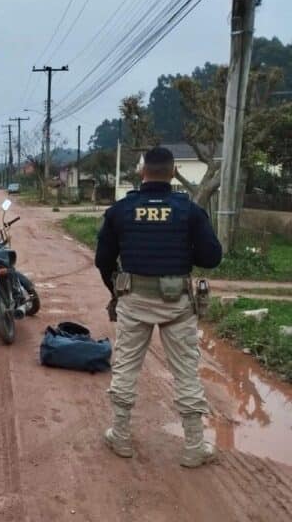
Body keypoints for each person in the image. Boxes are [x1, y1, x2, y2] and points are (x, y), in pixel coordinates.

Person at [95, 146, 222, 468]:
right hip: (177, 302)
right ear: (174, 170)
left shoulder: (121, 210)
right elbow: (211, 258)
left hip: (134, 299)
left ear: (142, 171)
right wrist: (181, 255)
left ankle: (120, 437)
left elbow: (103, 260)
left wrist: (117, 291)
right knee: (185, 373)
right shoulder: (189, 211)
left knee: (125, 367)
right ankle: (194, 447)